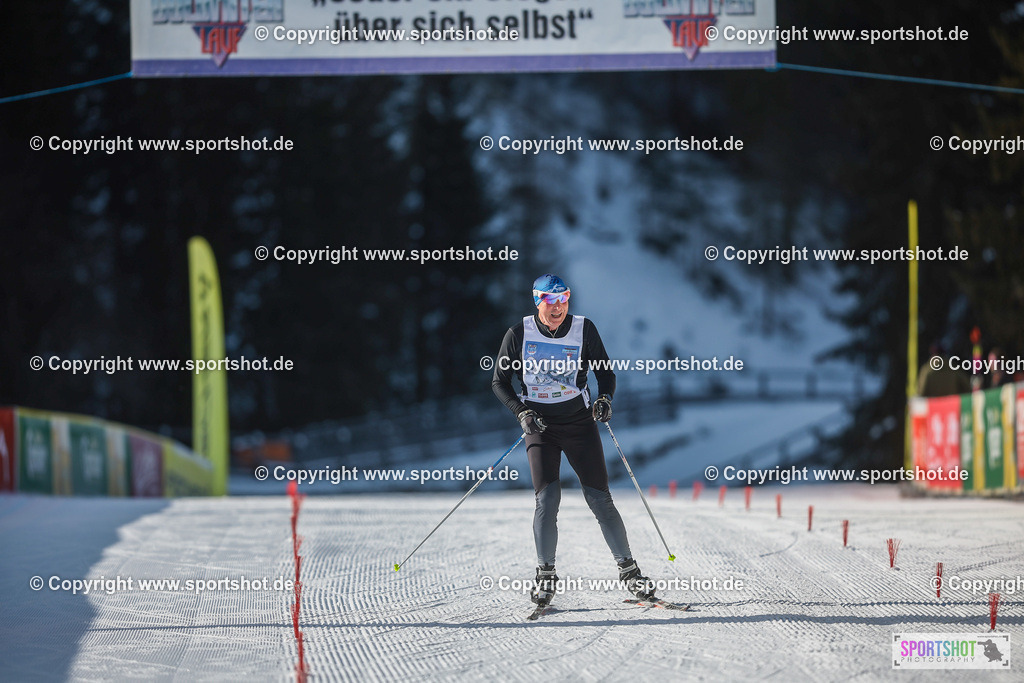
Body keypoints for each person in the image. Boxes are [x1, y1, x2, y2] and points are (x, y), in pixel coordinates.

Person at [491, 273, 655, 607]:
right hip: (539, 427)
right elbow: (499, 381)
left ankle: (630, 572)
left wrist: (605, 398)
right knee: (547, 501)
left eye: (564, 300)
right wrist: (521, 412)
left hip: (579, 423)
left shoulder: (584, 329)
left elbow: (605, 373)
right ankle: (545, 576)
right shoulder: (518, 333)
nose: (558, 308)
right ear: (539, 302)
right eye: (551, 302)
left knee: (600, 499)